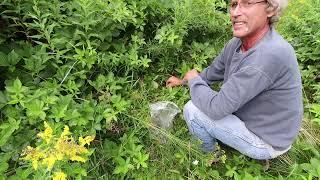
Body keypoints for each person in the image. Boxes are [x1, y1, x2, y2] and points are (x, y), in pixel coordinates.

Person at [166, 0, 303, 160]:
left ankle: (209, 157)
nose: (235, 12)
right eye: (233, 4)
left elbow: (216, 108)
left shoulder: (268, 55)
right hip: (258, 121)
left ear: (270, 9)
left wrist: (193, 80)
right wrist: (185, 82)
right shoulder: (237, 43)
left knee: (193, 110)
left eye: (247, 3)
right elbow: (213, 72)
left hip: (267, 141)